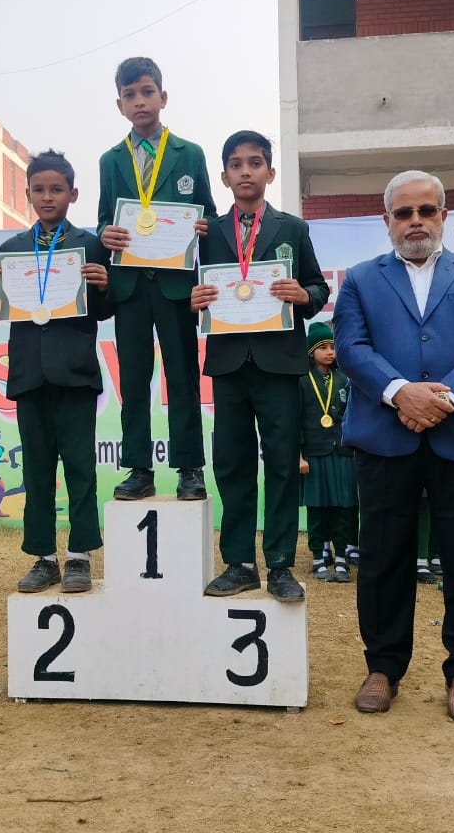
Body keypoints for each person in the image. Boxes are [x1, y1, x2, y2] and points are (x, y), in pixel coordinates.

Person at [333, 170, 454, 724]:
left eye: (426, 211)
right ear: (387, 220)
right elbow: (351, 347)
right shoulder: (360, 280)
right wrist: (399, 393)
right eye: (404, 213)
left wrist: (445, 399)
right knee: (383, 558)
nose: (416, 222)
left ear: (443, 216)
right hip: (385, 438)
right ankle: (383, 667)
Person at [191, 130, 330, 603]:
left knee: (283, 466)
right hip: (229, 363)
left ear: (270, 172)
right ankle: (239, 563)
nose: (245, 171)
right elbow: (193, 290)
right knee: (233, 464)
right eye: (236, 164)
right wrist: (193, 299)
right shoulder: (208, 232)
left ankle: (281, 564)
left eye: (255, 163)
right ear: (224, 176)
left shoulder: (293, 228)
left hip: (279, 363)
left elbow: (318, 288)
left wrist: (303, 295)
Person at [0, 149, 114, 594]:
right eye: (39, 190)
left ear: (73, 194)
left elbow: (106, 309)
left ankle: (80, 555)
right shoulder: (12, 250)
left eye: (56, 189)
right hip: (29, 374)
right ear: (28, 194)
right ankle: (43, 557)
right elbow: (1, 308)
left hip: (75, 374)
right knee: (36, 471)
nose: (47, 197)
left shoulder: (90, 244)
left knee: (80, 469)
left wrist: (104, 285)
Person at [98, 56, 218, 501]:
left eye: (147, 92)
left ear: (163, 97)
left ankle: (190, 468)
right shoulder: (110, 160)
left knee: (181, 377)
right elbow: (103, 219)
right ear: (119, 105)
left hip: (176, 286)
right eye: (129, 95)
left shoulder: (190, 153)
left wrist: (203, 225)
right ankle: (138, 469)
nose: (139, 101)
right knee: (133, 380)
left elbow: (208, 213)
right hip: (130, 286)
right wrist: (105, 233)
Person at [298, 321, 358, 583]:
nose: (330, 352)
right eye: (323, 347)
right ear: (311, 352)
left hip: (343, 453)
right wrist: (299, 456)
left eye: (333, 347)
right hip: (314, 454)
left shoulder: (344, 379)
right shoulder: (301, 380)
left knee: (344, 508)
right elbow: (295, 420)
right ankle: (318, 558)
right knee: (317, 508)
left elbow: (353, 416)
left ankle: (342, 558)